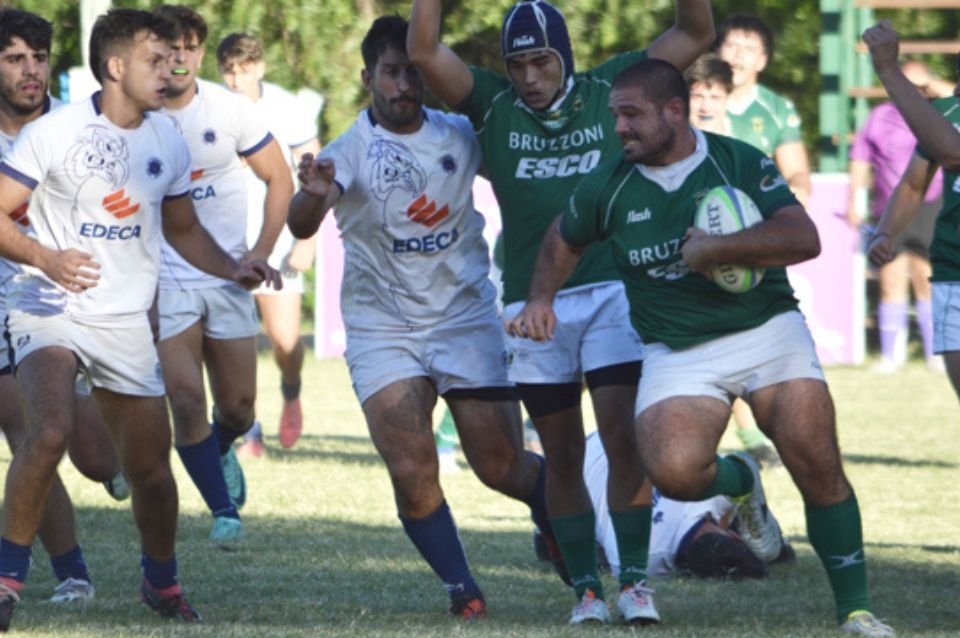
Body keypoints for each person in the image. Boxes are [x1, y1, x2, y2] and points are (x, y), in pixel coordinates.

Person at [508, 58, 893, 636]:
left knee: (817, 464)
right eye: (615, 116)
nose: (620, 128)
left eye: (632, 115)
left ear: (674, 111)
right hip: (678, 351)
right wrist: (541, 298)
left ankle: (856, 610)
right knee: (674, 472)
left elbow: (803, 237)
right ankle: (741, 480)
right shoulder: (611, 184)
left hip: (767, 332)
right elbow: (564, 237)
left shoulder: (736, 160)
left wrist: (716, 249)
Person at [407, 0, 714, 624]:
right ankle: (587, 592)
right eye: (517, 64)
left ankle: (634, 585)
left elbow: (696, 31)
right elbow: (423, 51)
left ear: (566, 58)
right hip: (531, 305)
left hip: (611, 292)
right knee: (562, 452)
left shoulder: (611, 88)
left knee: (624, 440)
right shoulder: (491, 102)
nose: (529, 77)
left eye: (542, 62)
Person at [0, 7, 277, 628]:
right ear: (117, 67)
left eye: (174, 58)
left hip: (123, 321)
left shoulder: (167, 140)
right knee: (47, 430)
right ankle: (7, 579)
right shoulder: (55, 131)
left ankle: (161, 583)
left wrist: (234, 267)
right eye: (155, 60)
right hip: (47, 305)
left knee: (149, 471)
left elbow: (183, 229)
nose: (170, 69)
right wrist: (46, 258)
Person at [288, 15, 554, 620]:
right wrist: (311, 195)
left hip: (465, 319)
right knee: (411, 470)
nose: (404, 85)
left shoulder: (461, 133)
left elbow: (523, 176)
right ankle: (463, 590)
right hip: (383, 330)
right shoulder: (346, 152)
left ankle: (555, 518)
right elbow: (303, 222)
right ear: (368, 78)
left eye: (413, 72)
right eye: (391, 73)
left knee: (501, 468)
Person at [154, 5, 293, 544]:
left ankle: (220, 447)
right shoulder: (136, 113)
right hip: (166, 280)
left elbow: (280, 178)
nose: (179, 57)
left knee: (237, 408)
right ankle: (223, 512)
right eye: (169, 48)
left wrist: (259, 251)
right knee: (186, 399)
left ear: (199, 53)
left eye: (189, 47)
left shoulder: (230, 110)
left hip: (230, 276)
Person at [0, 5, 104, 606]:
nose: (30, 71)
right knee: (30, 433)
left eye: (38, 58)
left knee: (98, 460)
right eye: (14, 59)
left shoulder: (76, 129)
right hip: (8, 304)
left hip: (67, 304)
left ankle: (114, 450)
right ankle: (71, 574)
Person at [217, 32, 322, 454]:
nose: (235, 79)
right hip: (224, 247)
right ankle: (250, 430)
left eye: (244, 70)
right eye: (228, 71)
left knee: (285, 341)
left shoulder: (286, 108)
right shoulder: (208, 109)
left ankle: (291, 391)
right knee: (234, 345)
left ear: (259, 68)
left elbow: (314, 175)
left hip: (278, 242)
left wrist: (308, 240)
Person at [684, 53, 781, 467]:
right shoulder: (674, 149)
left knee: (738, 349)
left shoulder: (743, 149)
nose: (706, 104)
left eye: (715, 95)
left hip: (737, 267)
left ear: (727, 98)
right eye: (697, 95)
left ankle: (752, 438)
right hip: (684, 273)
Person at [533, 432, 793, 580]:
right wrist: (766, 546)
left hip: (612, 436)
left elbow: (746, 465)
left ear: (734, 536)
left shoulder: (715, 493)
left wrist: (764, 539)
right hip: (578, 466)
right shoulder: (647, 561)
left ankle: (549, 535)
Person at [864, 22, 960, 406]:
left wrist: (889, 69)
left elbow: (954, 153)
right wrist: (884, 232)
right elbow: (913, 185)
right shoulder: (945, 113)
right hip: (954, 270)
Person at [848, 60, 949, 374]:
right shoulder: (879, 117)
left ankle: (935, 354)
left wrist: (928, 80)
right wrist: (852, 199)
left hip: (930, 206)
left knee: (926, 279)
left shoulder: (938, 114)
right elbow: (860, 158)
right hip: (889, 208)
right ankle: (891, 355)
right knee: (890, 280)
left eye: (918, 86)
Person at [717, 15, 811, 206]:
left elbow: (796, 172)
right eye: (731, 45)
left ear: (762, 61)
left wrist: (797, 191)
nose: (738, 55)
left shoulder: (778, 109)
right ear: (718, 51)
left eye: (749, 49)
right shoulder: (694, 100)